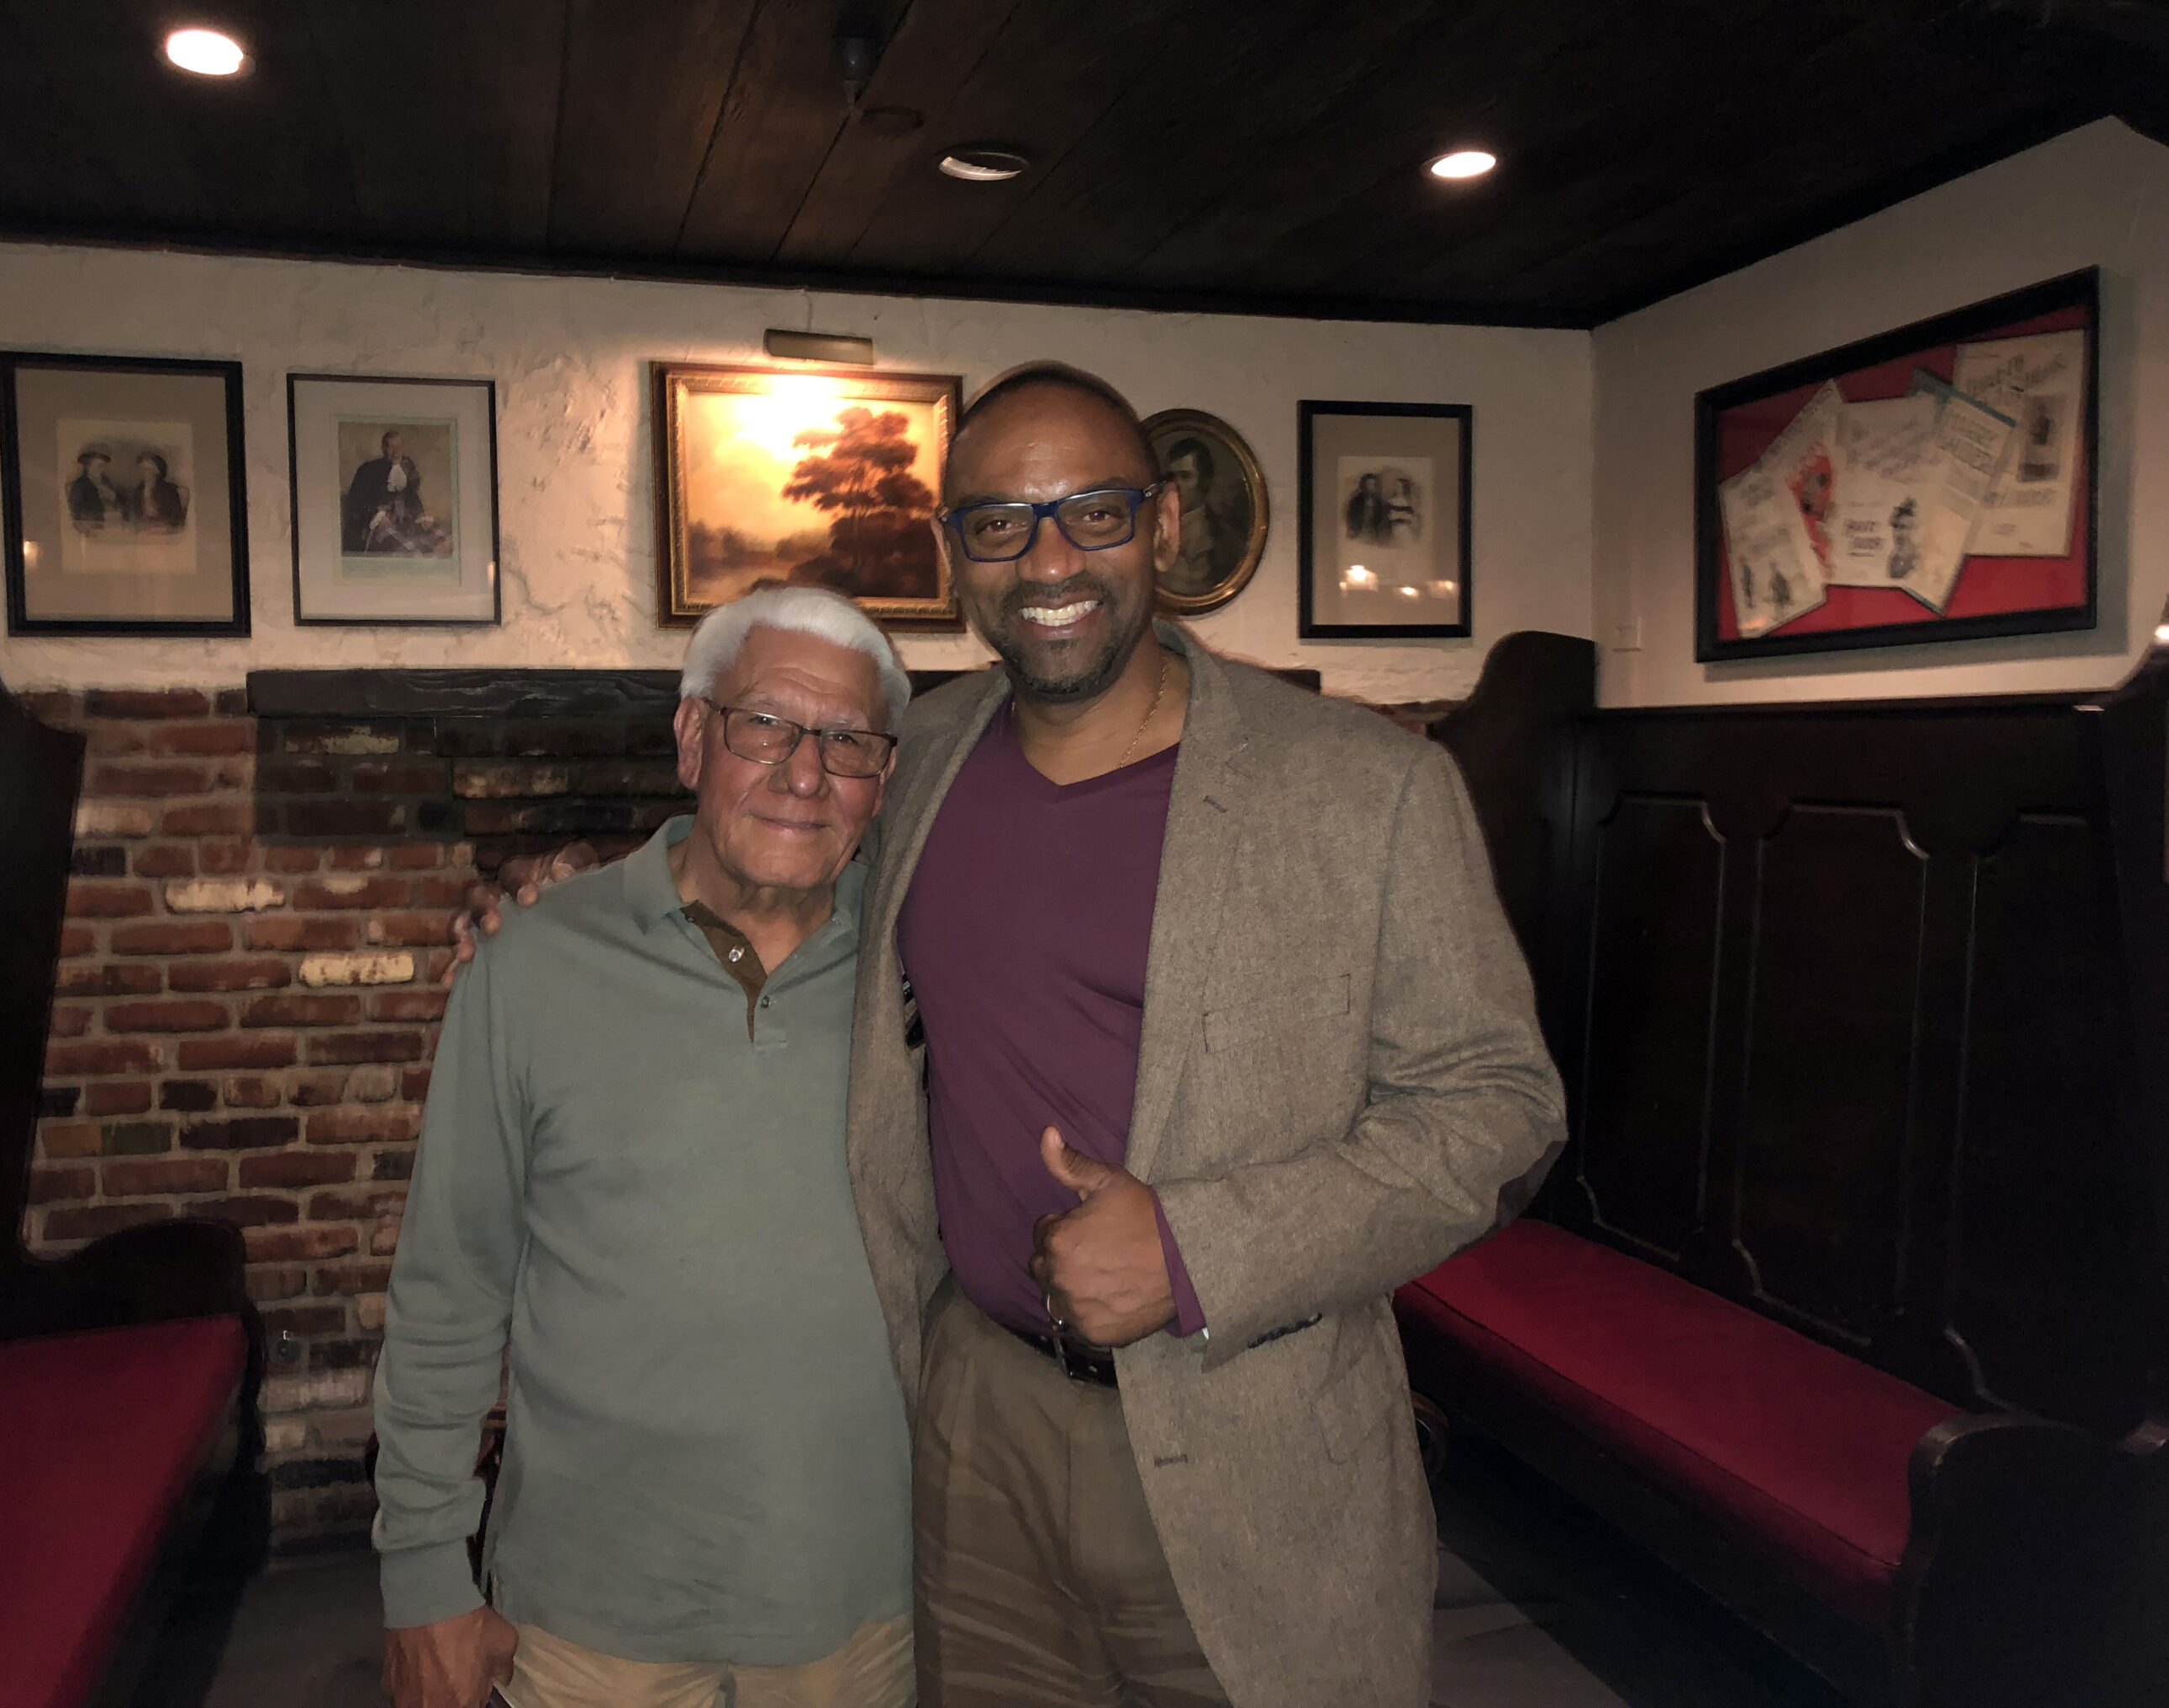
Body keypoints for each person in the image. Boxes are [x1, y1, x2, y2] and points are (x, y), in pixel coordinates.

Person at [461, 364, 1565, 1708]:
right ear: (954, 556)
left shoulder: (1367, 788)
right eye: (1000, 523)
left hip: (1249, 1448)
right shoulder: (913, 758)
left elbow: (1500, 1107)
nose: (1049, 560)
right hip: (973, 1435)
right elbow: (764, 859)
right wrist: (571, 903)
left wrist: (1195, 1250)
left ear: (1163, 524)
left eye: (1094, 512)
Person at [379, 586, 916, 1708]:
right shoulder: (531, 967)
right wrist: (423, 1570)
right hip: (586, 1617)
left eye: (847, 742)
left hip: (862, 1613)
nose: (805, 773)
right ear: (690, 736)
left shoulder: (930, 964)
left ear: (883, 778)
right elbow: (449, 1287)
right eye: (764, 724)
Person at [1158, 437, 1244, 596]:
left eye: (1185, 476)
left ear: (1204, 481)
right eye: (1171, 477)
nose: (1176, 485)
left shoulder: (1225, 538)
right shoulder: (1152, 535)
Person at [344, 428, 431, 553]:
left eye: (398, 447)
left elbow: (413, 498)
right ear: (384, 449)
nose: (396, 452)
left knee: (433, 545)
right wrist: (378, 515)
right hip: (377, 527)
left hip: (405, 525)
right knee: (411, 551)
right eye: (391, 447)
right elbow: (356, 503)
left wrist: (421, 515)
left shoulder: (408, 469)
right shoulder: (368, 470)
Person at [127, 450, 187, 531]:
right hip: (145, 528)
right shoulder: (138, 490)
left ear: (157, 471)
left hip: (164, 527)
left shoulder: (167, 489)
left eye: (146, 469)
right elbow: (137, 514)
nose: (142, 472)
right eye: (141, 469)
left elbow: (174, 516)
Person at [66, 448, 121, 531]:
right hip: (92, 527)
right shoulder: (79, 486)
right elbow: (78, 513)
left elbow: (118, 504)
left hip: (111, 524)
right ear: (88, 467)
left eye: (102, 466)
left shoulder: (106, 481)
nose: (100, 469)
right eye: (97, 466)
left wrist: (114, 498)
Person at [1344, 469, 1390, 543]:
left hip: (1374, 536)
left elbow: (1383, 521)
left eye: (1372, 485)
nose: (1370, 487)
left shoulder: (1380, 502)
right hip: (1359, 534)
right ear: (1363, 486)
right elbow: (1350, 518)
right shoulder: (1356, 501)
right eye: (1368, 484)